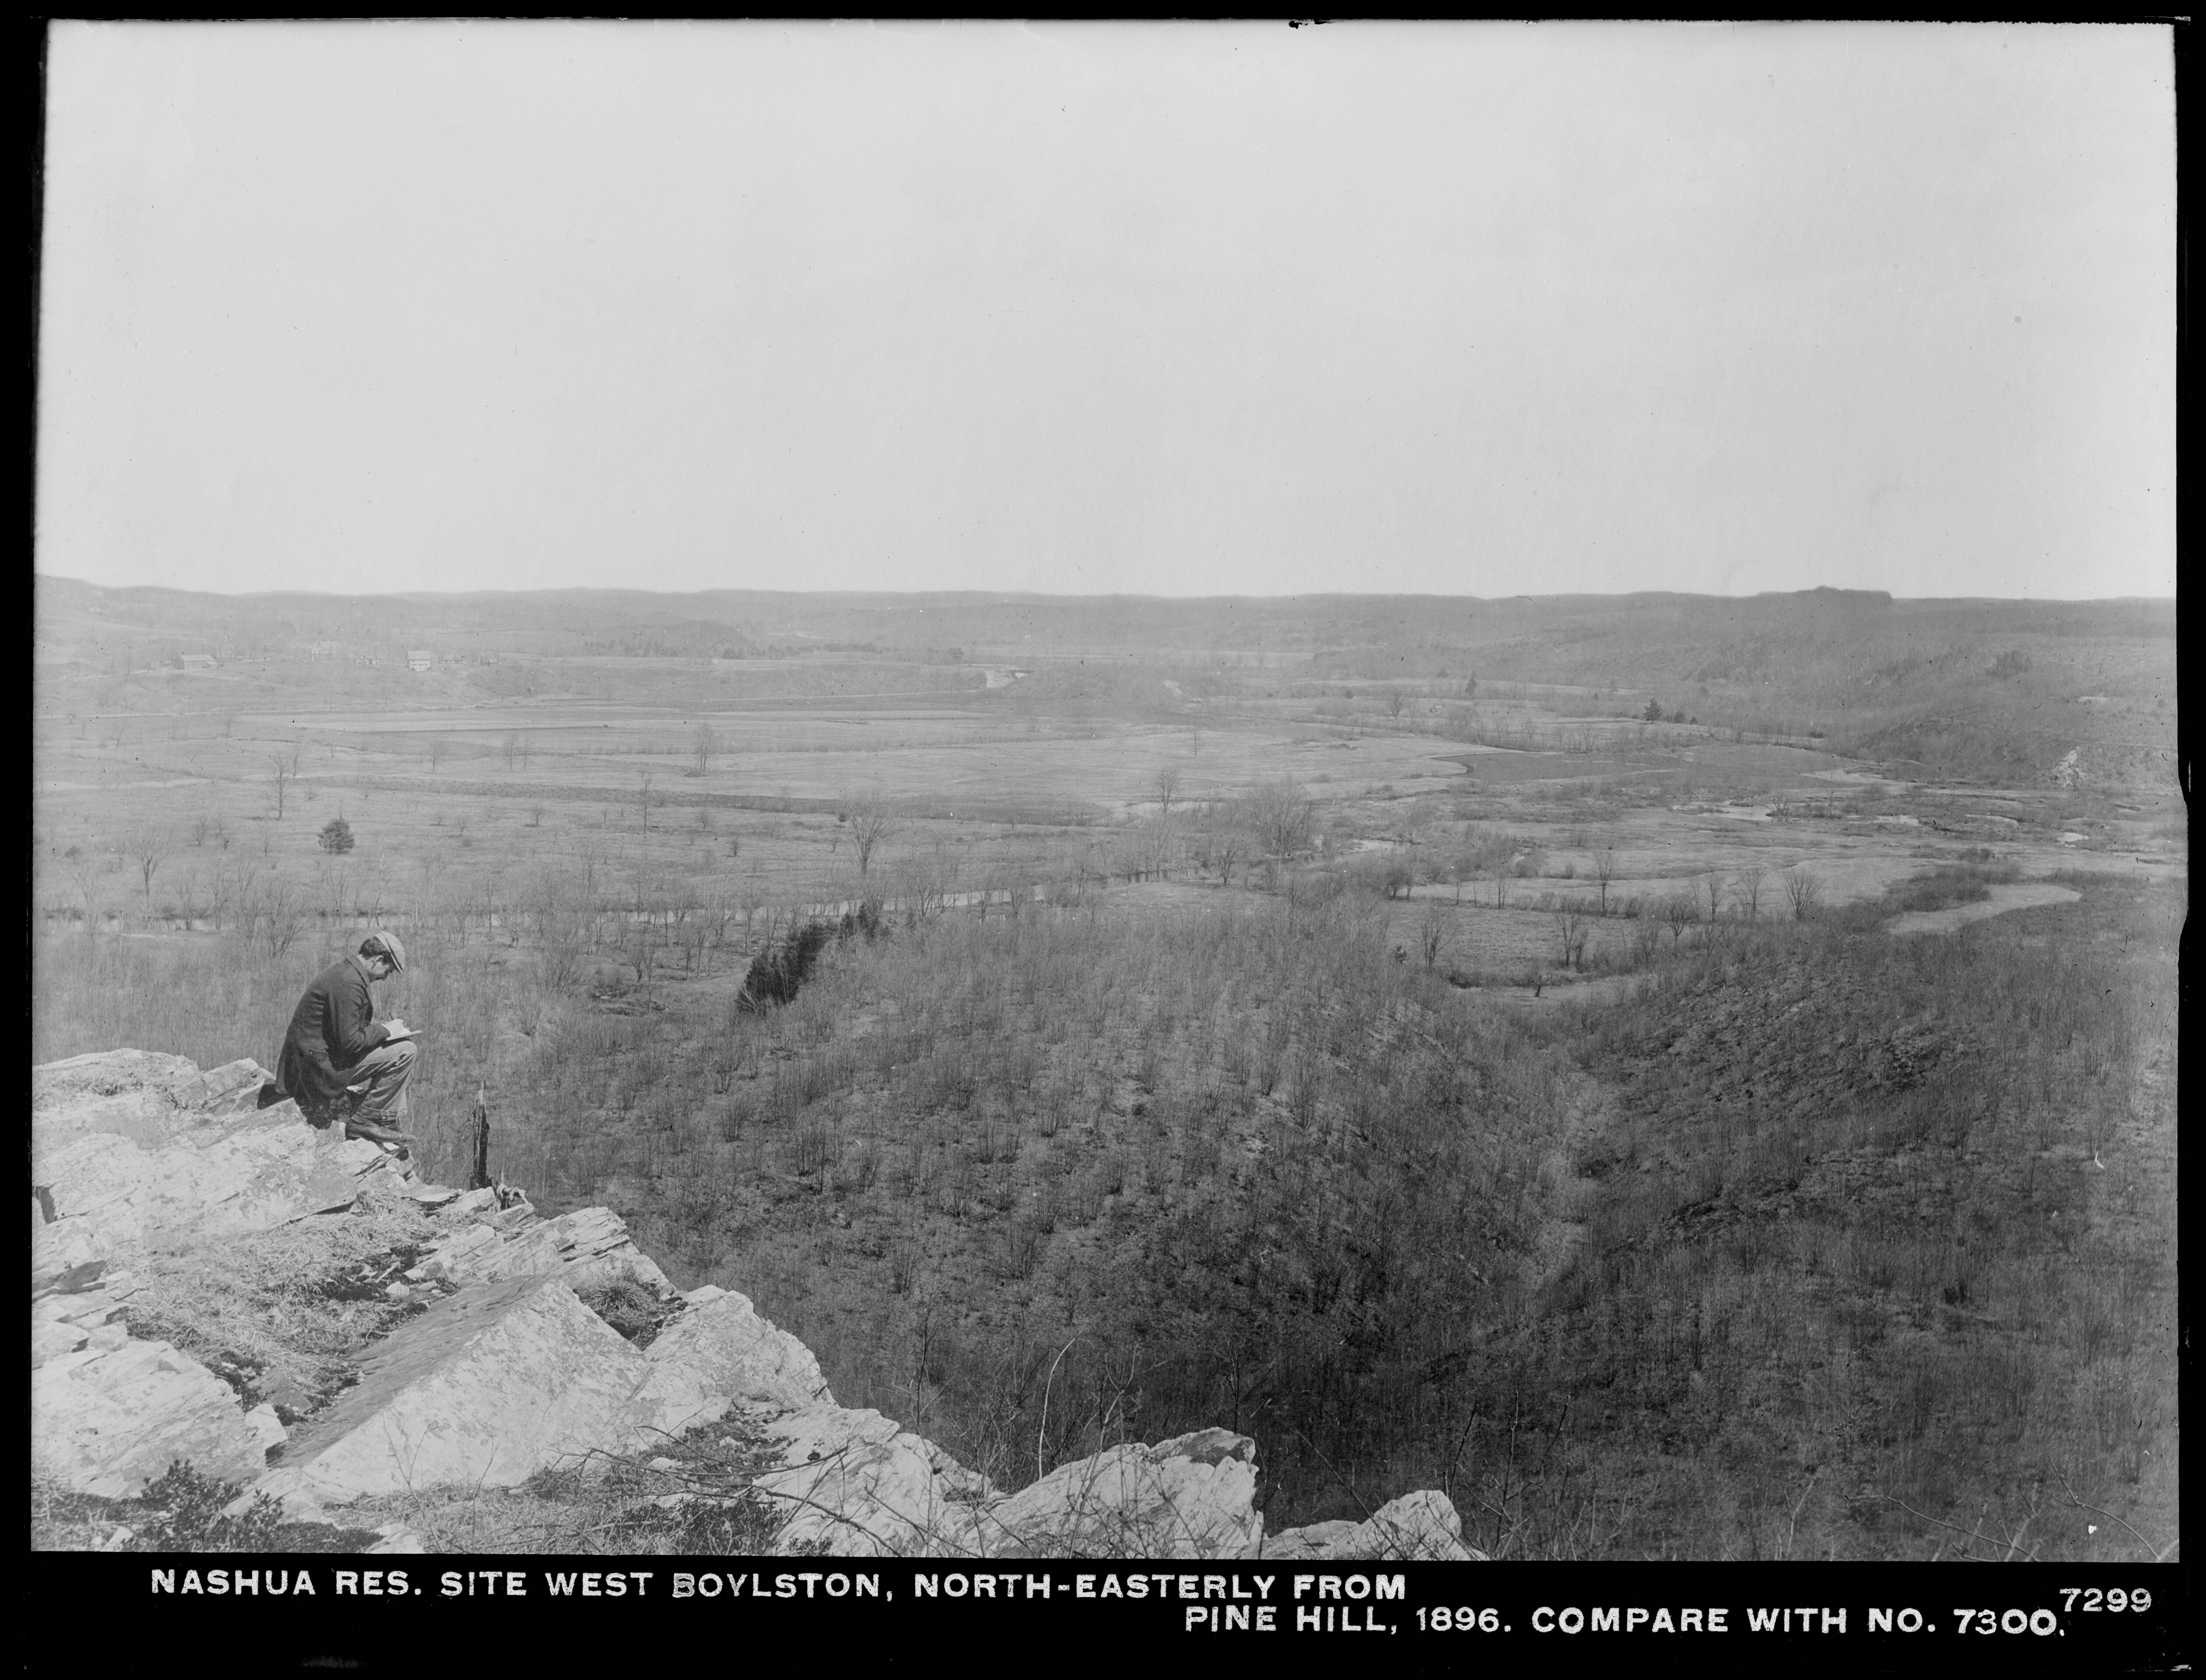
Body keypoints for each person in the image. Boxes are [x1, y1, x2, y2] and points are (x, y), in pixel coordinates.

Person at [277, 931, 419, 1146]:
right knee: (406, 1051)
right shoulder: (349, 982)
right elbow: (350, 1043)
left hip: (314, 1061)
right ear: (378, 959)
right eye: (387, 971)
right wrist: (385, 1030)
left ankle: (388, 1120)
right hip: (316, 1071)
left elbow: (344, 1035)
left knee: (396, 1045)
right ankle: (367, 1120)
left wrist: (384, 1032)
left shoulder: (347, 972)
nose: (384, 978)